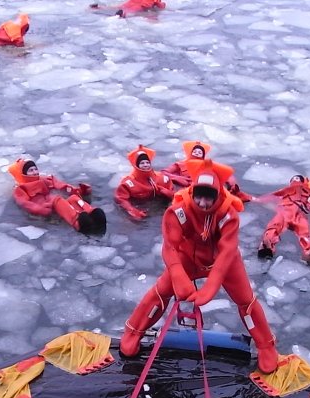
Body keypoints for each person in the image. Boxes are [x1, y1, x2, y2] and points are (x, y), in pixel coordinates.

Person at [119, 158, 278, 373]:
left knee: (246, 300)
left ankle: (266, 345)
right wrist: (178, 274)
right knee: (161, 291)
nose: (203, 203)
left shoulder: (228, 215)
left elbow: (227, 251)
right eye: (199, 196)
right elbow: (170, 246)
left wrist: (211, 285)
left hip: (224, 261)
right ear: (192, 192)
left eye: (209, 197)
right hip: (187, 258)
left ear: (217, 195)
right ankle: (132, 331)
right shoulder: (178, 211)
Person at [9, 159, 106, 234]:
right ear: (23, 174)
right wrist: (39, 209)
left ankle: (92, 213)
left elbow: (62, 185)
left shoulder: (45, 179)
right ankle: (77, 223)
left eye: (35, 169)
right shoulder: (20, 189)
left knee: (73, 198)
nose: (35, 172)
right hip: (46, 207)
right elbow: (25, 203)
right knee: (58, 200)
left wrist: (79, 190)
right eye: (31, 170)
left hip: (53, 203)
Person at [163, 141, 252, 203]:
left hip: (202, 186)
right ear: (191, 152)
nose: (197, 153)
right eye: (195, 151)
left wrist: (232, 185)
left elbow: (227, 174)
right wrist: (180, 179)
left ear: (203, 155)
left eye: (199, 152)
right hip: (184, 188)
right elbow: (164, 172)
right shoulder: (180, 164)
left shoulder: (207, 164)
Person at [114, 145, 176, 220]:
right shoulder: (128, 182)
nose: (145, 165)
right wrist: (131, 210)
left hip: (159, 208)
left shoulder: (161, 178)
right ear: (137, 165)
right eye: (142, 163)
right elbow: (120, 198)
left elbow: (174, 194)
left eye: (147, 162)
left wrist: (167, 192)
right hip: (140, 206)